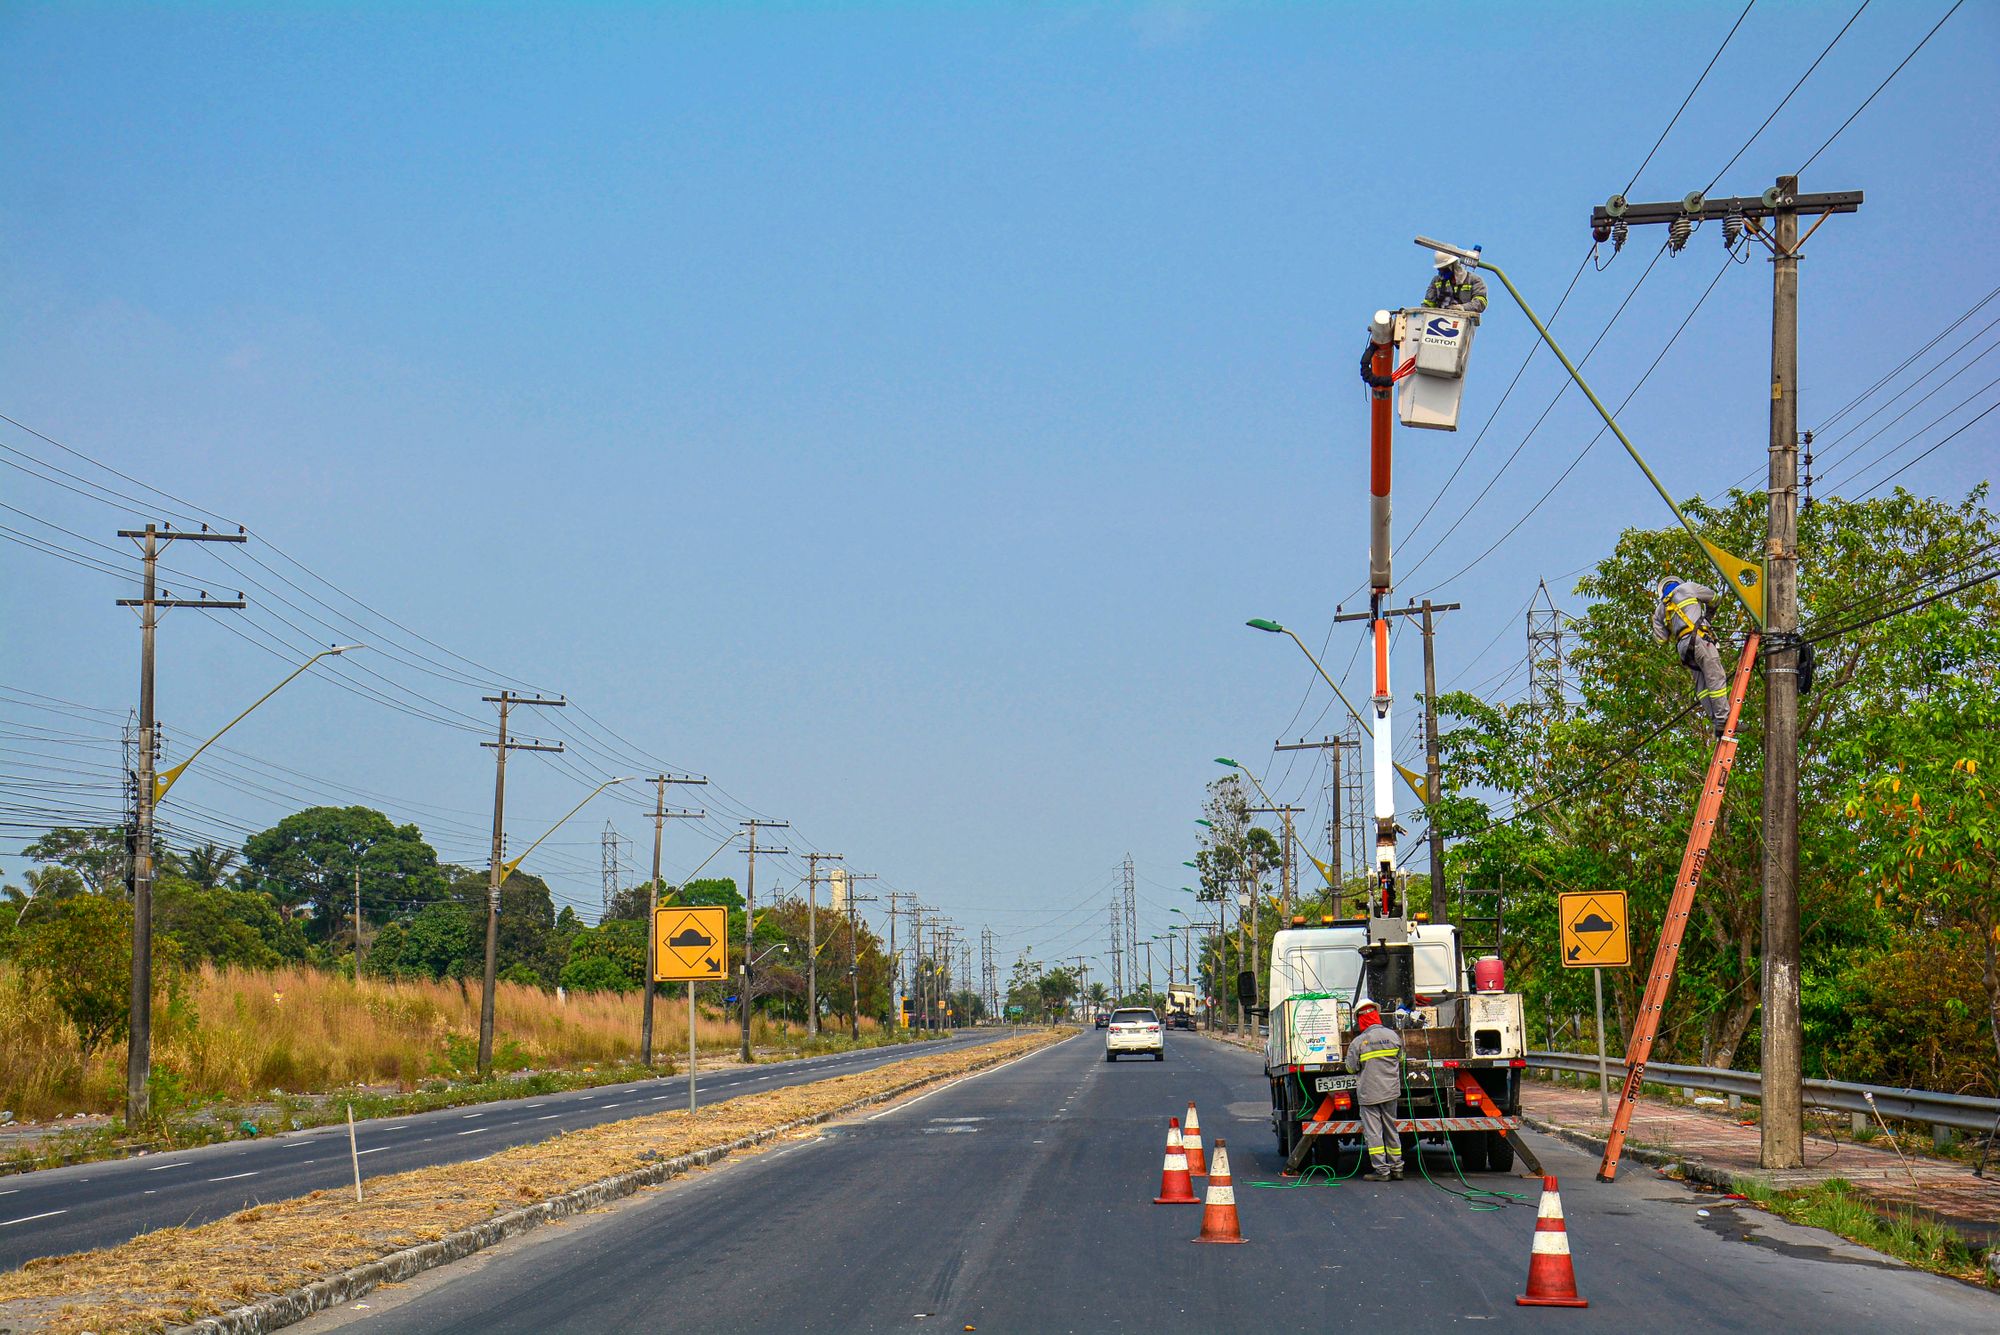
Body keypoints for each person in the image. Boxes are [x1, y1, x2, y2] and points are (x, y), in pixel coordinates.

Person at [1651, 576, 1731, 738]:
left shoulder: (1660, 610)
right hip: (1701, 640)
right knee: (1715, 678)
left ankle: (1716, 721)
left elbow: (1661, 639)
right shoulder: (1688, 587)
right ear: (1677, 583)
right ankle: (1723, 719)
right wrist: (1707, 617)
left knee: (1702, 688)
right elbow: (1714, 598)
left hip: (1683, 648)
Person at [1345, 1001, 1404, 1181]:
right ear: (1376, 1015)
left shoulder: (1358, 1042)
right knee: (1391, 1129)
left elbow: (1350, 1068)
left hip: (1369, 1093)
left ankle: (1382, 1171)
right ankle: (1397, 1167)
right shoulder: (1393, 1036)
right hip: (1390, 1091)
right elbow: (1401, 1059)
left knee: (1374, 1133)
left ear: (1360, 1020)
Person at [1424, 250, 1488, 315]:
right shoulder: (1436, 281)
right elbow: (1428, 304)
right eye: (1440, 269)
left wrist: (1463, 307)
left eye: (1445, 269)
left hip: (1464, 320)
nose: (1442, 273)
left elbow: (1480, 302)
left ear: (1454, 266)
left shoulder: (1474, 280)